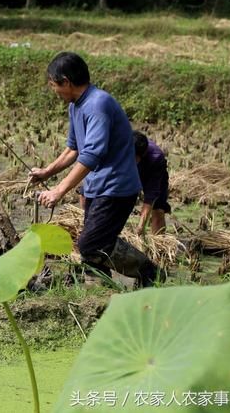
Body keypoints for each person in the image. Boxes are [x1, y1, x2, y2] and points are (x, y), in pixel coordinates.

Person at [29, 51, 159, 287]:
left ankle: (148, 271)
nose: (53, 91)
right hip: (96, 187)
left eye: (53, 85)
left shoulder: (98, 104)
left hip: (116, 187)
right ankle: (98, 293)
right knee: (92, 246)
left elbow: (92, 154)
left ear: (66, 82)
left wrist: (59, 190)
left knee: (92, 244)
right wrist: (47, 172)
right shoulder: (76, 106)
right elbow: (74, 149)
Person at [133, 130, 170, 235]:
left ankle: (158, 245)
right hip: (127, 173)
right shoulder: (120, 147)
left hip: (153, 170)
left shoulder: (156, 157)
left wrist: (141, 226)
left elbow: (151, 195)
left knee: (158, 208)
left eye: (135, 158)